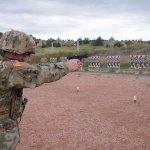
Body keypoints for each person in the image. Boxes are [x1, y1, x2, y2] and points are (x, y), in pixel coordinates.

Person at [0, 30, 81, 150]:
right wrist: (67, 66)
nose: (29, 59)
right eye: (27, 54)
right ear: (14, 53)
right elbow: (39, 73)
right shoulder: (8, 68)